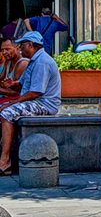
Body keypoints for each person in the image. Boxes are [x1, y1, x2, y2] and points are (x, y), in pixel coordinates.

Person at [0, 32, 62, 174]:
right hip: (35, 101)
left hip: (44, 104)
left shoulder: (42, 62)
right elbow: (22, 86)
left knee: (7, 112)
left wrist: (13, 103)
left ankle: (5, 161)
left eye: (23, 45)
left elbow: (35, 92)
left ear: (31, 45)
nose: (21, 48)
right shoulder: (34, 60)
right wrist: (12, 84)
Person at [0, 39, 27, 111]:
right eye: (2, 50)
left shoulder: (22, 63)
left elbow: (16, 93)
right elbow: (1, 80)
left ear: (17, 47)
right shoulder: (8, 61)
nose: (4, 52)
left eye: (7, 49)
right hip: (7, 98)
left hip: (18, 100)